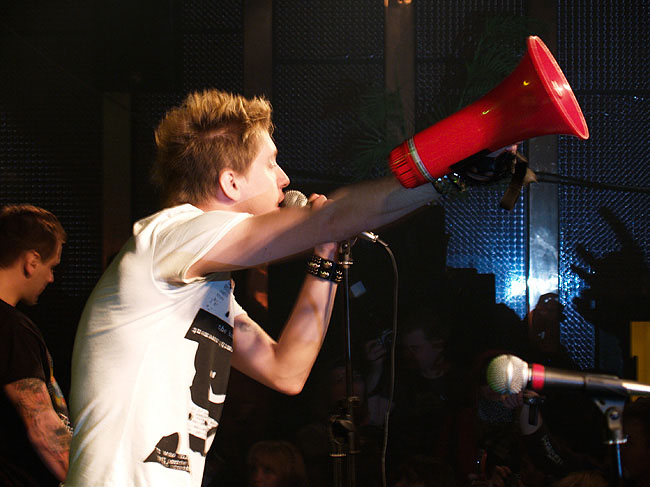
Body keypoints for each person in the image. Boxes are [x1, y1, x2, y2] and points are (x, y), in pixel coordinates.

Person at [65, 88, 510, 486]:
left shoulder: (205, 288)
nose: (284, 179)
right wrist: (449, 177)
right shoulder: (171, 234)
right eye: (270, 163)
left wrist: (326, 254)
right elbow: (334, 216)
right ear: (230, 182)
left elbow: (286, 371)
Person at [0, 204, 72, 486]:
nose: (51, 278)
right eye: (51, 266)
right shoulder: (13, 329)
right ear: (31, 261)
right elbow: (42, 425)